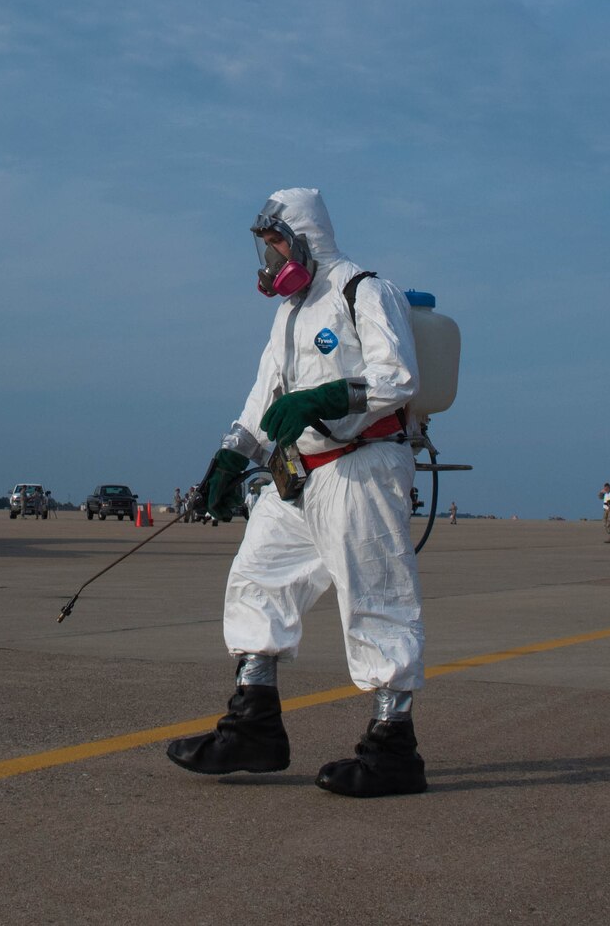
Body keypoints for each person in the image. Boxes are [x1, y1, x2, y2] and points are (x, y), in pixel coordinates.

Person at [168, 188, 427, 797]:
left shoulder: (364, 290)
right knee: (257, 580)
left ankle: (394, 748)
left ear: (306, 237)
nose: (269, 257)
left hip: (361, 468)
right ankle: (254, 726)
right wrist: (230, 459)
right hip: (297, 475)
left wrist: (329, 397)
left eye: (277, 242)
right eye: (264, 246)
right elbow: (264, 400)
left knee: (376, 596)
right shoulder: (286, 314)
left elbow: (398, 378)